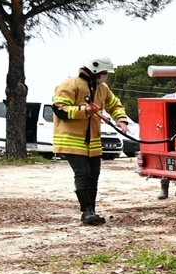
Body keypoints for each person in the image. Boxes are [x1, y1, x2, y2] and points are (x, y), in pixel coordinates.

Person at [52, 56, 129, 225]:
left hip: (92, 142)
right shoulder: (69, 85)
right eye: (103, 72)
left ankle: (91, 211)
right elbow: (60, 109)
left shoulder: (103, 89)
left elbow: (114, 105)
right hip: (71, 141)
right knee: (83, 173)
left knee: (94, 175)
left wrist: (121, 119)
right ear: (94, 70)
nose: (105, 75)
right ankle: (86, 211)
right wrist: (85, 110)